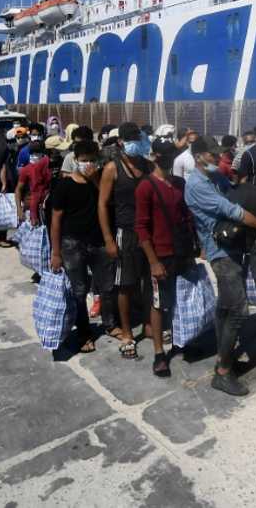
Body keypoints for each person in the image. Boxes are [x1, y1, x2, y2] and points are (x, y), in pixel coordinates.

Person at [184, 135, 256, 396]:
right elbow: (232, 210)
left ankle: (225, 357)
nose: (218, 158)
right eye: (212, 155)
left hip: (234, 247)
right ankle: (222, 372)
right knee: (239, 310)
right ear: (199, 157)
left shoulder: (215, 177)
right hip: (220, 252)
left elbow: (235, 190)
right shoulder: (196, 185)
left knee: (225, 309)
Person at [49, 140, 115, 353]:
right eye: (84, 161)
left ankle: (110, 324)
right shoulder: (64, 186)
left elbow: (108, 204)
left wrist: (96, 179)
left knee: (106, 286)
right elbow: (56, 220)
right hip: (72, 244)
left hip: (99, 242)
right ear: (75, 161)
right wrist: (56, 252)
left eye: (92, 160)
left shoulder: (101, 183)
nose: (88, 164)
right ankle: (85, 333)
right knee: (78, 290)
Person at [135, 137, 193, 378]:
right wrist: (153, 261)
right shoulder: (146, 186)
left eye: (172, 154)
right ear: (155, 156)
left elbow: (187, 216)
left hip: (181, 252)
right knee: (159, 303)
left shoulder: (179, 183)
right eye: (164, 155)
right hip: (161, 255)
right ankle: (159, 353)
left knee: (182, 298)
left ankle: (182, 337)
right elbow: (141, 227)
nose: (168, 159)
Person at [98, 122, 153, 358]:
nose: (134, 143)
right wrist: (109, 239)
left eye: (136, 138)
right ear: (120, 142)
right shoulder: (113, 168)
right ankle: (128, 332)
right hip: (125, 232)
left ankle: (151, 323)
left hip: (147, 232)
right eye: (129, 139)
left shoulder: (147, 165)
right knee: (126, 284)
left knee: (150, 280)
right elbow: (102, 204)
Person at [15, 140, 51, 226]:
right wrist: (19, 210)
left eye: (37, 152)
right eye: (32, 153)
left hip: (47, 205)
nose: (35, 155)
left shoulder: (49, 166)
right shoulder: (26, 169)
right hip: (31, 206)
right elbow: (18, 189)